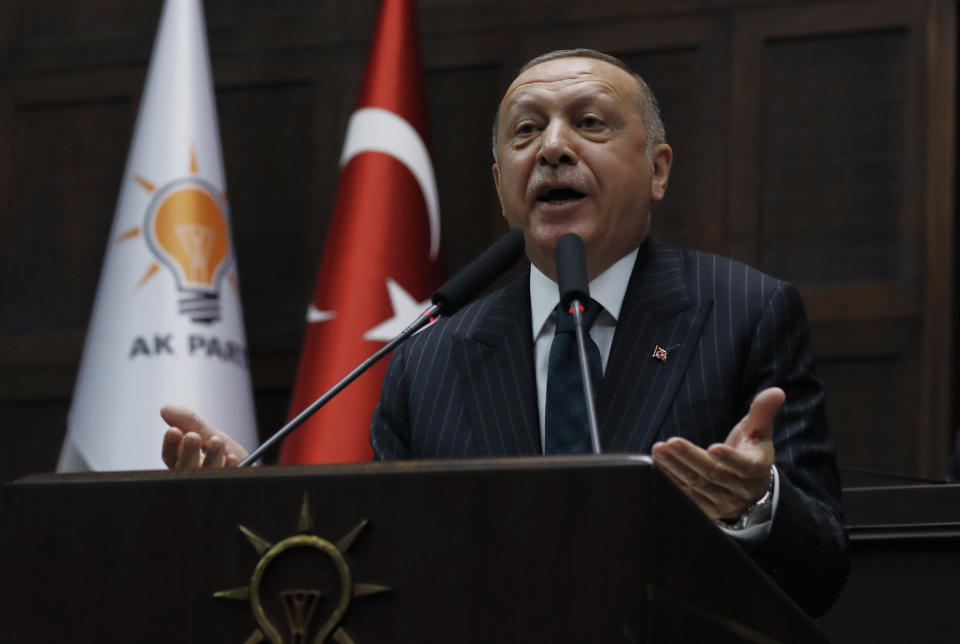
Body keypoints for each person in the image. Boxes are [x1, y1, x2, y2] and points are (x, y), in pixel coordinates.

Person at [161, 49, 848, 616]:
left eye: (590, 123)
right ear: (502, 186)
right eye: (526, 132)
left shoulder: (746, 313)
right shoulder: (429, 356)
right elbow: (373, 569)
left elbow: (822, 573)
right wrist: (244, 505)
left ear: (658, 170)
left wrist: (756, 503)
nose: (552, 148)